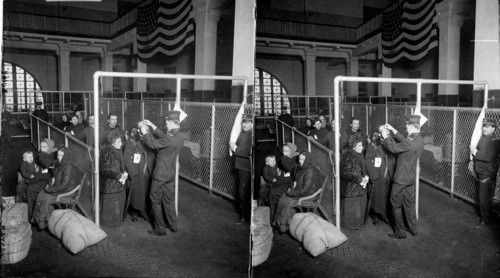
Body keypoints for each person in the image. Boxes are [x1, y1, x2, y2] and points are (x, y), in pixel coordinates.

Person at [140, 111, 186, 236]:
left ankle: (160, 228)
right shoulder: (180, 136)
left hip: (160, 174)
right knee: (169, 199)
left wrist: (145, 132)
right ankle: (173, 225)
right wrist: (152, 125)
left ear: (171, 122)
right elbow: (163, 136)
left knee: (154, 199)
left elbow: (153, 144)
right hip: (170, 173)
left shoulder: (169, 139)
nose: (165, 124)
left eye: (167, 121)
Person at [382, 115, 425, 239]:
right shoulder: (419, 140)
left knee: (395, 203)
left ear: (412, 126)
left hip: (400, 178)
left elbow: (392, 148)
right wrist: (393, 130)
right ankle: (413, 228)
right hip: (410, 178)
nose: (406, 128)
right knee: (409, 203)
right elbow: (405, 141)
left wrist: (386, 137)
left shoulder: (409, 143)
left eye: (407, 125)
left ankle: (400, 232)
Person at [273, 151, 322, 233]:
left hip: (308, 195)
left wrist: (291, 192)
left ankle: (283, 226)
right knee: (282, 198)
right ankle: (279, 223)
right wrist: (293, 185)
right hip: (301, 191)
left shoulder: (310, 171)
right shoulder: (302, 167)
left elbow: (305, 190)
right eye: (299, 159)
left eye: (303, 160)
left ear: (307, 160)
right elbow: (297, 180)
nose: (300, 161)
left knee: (287, 201)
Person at [32, 147, 79, 230]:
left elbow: (64, 186)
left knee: (45, 197)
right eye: (58, 155)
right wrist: (52, 181)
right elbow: (55, 176)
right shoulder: (60, 164)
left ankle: (41, 221)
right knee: (41, 194)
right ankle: (39, 219)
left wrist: (49, 189)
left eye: (61, 156)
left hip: (65, 191)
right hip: (58, 187)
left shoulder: (68, 167)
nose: (59, 157)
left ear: (66, 156)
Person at [470, 118, 500, 228]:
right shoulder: (484, 137)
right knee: (483, 197)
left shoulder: (494, 140)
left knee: (484, 198)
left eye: (488, 126)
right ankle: (486, 217)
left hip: (487, 172)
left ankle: (485, 220)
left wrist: (475, 152)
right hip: (482, 170)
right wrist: (473, 160)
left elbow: (487, 157)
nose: (484, 128)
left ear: (493, 128)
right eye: (484, 126)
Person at [124, 125, 154, 222]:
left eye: (144, 132)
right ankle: (134, 212)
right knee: (135, 193)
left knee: (146, 192)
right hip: (137, 173)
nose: (142, 134)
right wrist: (132, 172)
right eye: (140, 132)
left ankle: (143, 211)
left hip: (147, 172)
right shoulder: (131, 142)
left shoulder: (150, 141)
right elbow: (127, 158)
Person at [365, 128, 395, 226]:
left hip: (389, 176)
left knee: (387, 196)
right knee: (377, 197)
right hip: (378, 176)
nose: (383, 138)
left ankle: (384, 214)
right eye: (381, 136)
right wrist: (373, 177)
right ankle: (375, 216)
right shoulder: (373, 145)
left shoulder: (392, 145)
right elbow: (368, 161)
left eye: (385, 136)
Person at [339, 134, 369, 230]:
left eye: (362, 145)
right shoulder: (346, 155)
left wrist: (365, 176)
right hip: (351, 187)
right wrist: (360, 179)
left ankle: (358, 224)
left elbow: (362, 168)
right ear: (353, 146)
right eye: (359, 146)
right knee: (352, 208)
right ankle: (351, 226)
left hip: (359, 186)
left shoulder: (358, 154)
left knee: (359, 206)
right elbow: (345, 173)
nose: (362, 147)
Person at [99, 130, 128, 226]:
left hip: (119, 183)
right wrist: (119, 176)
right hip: (111, 184)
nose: (121, 143)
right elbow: (105, 169)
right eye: (119, 141)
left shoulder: (117, 150)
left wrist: (124, 173)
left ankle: (117, 220)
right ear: (112, 142)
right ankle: (111, 223)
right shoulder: (106, 151)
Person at [230, 114, 253, 223]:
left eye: (247, 122)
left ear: (252, 123)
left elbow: (248, 153)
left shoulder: (250, 135)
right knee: (241, 190)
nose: (244, 124)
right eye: (243, 122)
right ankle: (242, 212)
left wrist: (233, 147)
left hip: (246, 167)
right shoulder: (243, 133)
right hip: (240, 166)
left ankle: (245, 217)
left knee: (243, 192)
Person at [20, 151, 51, 219]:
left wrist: (36, 169)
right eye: (29, 157)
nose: (31, 158)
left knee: (36, 182)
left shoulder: (34, 162)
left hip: (34, 176)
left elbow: (36, 168)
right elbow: (23, 172)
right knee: (30, 184)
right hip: (28, 178)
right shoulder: (24, 164)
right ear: (24, 159)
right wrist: (29, 175)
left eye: (32, 157)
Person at [263, 154, 293, 223]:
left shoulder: (277, 167)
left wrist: (279, 173)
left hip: (277, 181)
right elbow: (266, 176)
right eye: (271, 161)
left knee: (276, 190)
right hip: (270, 182)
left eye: (274, 160)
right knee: (270, 189)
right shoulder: (266, 168)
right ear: (267, 163)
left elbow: (280, 174)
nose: (273, 162)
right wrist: (271, 179)